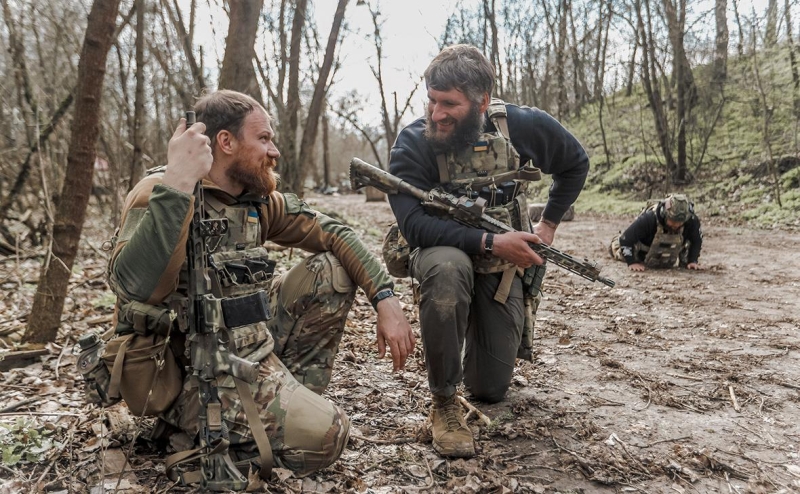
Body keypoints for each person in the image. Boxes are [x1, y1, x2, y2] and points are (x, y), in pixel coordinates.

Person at [104, 90, 415, 480]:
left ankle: (283, 405)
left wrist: (385, 298)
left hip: (246, 350)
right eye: (264, 139)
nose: (274, 151)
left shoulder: (253, 198)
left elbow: (335, 232)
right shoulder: (159, 192)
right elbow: (134, 286)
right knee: (329, 435)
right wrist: (179, 186)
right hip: (187, 371)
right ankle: (189, 432)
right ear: (226, 142)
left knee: (331, 269)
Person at [386, 44, 589, 458]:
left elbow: (575, 163)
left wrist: (547, 224)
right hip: (443, 252)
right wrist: (492, 241)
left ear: (481, 102)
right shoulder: (412, 142)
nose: (436, 113)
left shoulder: (521, 126)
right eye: (431, 99)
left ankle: (474, 333)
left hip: (502, 266)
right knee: (447, 267)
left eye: (449, 104)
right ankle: (443, 402)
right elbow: (414, 226)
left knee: (490, 389)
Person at [609, 193, 703, 271]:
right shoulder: (649, 219)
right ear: (665, 214)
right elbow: (626, 239)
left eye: (680, 222)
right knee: (620, 249)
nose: (676, 225)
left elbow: (697, 240)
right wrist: (631, 262)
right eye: (673, 221)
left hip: (671, 251)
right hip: (643, 249)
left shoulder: (692, 220)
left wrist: (693, 260)